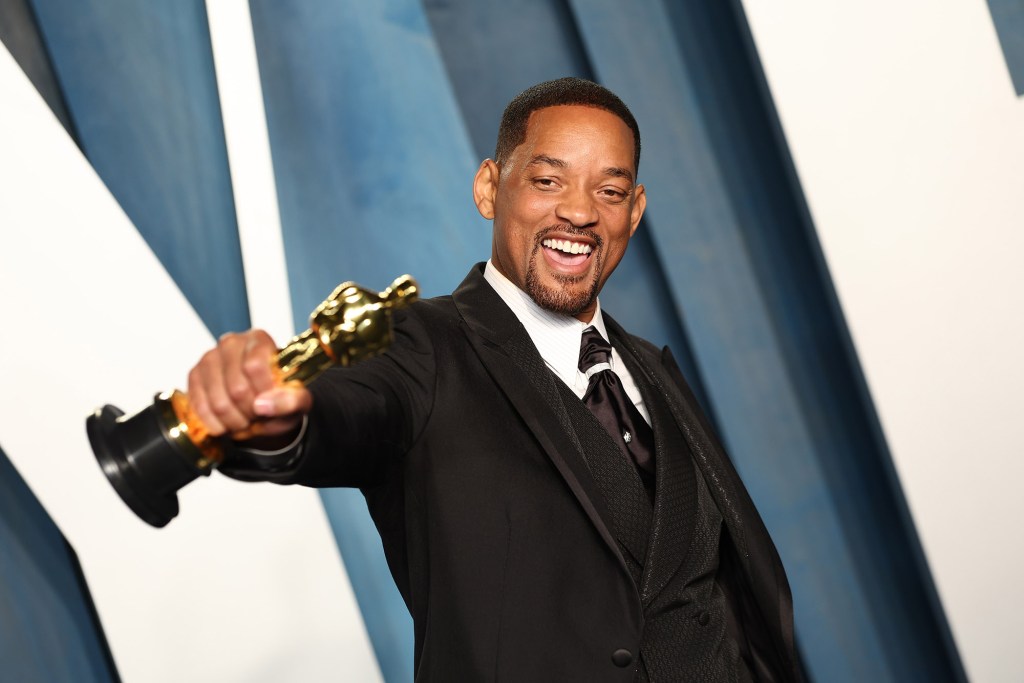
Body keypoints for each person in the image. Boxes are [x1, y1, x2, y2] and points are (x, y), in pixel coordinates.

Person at [189, 78, 801, 682]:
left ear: (634, 212)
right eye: (547, 181)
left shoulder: (652, 369)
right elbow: (342, 415)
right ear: (489, 188)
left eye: (609, 191)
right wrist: (270, 415)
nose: (580, 212)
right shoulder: (421, 346)